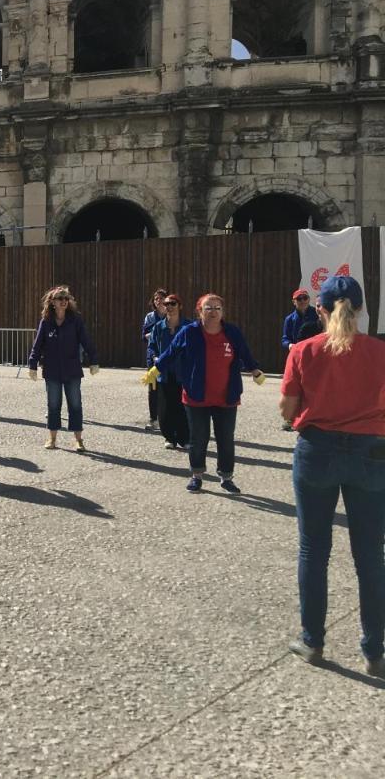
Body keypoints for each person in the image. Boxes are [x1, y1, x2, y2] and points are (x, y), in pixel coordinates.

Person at [279, 276, 384, 678]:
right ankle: (374, 649)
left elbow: (288, 409)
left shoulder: (304, 351)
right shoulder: (379, 353)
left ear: (319, 309)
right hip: (371, 453)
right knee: (371, 556)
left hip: (318, 451)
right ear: (358, 310)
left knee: (314, 550)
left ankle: (312, 640)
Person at [145, 293, 265, 494]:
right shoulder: (189, 332)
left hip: (226, 396)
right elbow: (171, 352)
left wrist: (255, 370)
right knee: (198, 438)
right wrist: (155, 369)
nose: (213, 312)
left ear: (222, 312)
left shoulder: (232, 332)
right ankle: (197, 475)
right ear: (199, 311)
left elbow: (244, 352)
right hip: (196, 395)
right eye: (208, 308)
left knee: (225, 438)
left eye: (217, 308)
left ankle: (226, 477)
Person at [28, 286, 99, 452]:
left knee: (75, 404)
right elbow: (38, 345)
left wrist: (93, 360)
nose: (64, 301)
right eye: (60, 298)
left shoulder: (75, 320)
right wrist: (32, 364)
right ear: (52, 302)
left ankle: (79, 440)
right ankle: (52, 439)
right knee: (53, 405)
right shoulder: (46, 322)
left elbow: (86, 340)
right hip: (52, 370)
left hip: (72, 369)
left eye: (66, 298)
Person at [146, 293, 190, 451]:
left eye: (173, 304)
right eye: (166, 304)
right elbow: (151, 346)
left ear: (180, 306)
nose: (169, 307)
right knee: (165, 407)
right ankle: (169, 437)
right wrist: (153, 358)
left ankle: (184, 438)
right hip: (163, 372)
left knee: (183, 406)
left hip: (182, 372)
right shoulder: (159, 327)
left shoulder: (188, 326)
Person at [281, 289, 319, 430]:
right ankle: (291, 419)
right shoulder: (289, 319)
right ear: (294, 302)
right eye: (299, 299)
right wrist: (290, 345)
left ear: (309, 299)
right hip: (297, 356)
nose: (302, 301)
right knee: (294, 387)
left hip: (315, 356)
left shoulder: (316, 314)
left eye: (305, 298)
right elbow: (284, 339)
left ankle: (311, 418)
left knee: (313, 387)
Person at [142, 289, 167, 430]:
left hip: (168, 357)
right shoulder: (150, 317)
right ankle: (153, 419)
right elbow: (144, 335)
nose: (159, 301)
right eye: (156, 299)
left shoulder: (171, 315)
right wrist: (155, 333)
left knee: (168, 388)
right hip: (153, 357)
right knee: (153, 389)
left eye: (162, 298)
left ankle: (167, 419)